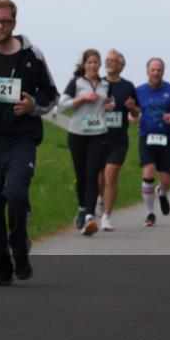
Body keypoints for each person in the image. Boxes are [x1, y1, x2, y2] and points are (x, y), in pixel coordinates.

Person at [0, 0, 58, 282]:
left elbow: (51, 96)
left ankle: (19, 247)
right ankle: (3, 265)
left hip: (21, 140)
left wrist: (32, 105)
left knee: (16, 194)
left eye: (5, 21)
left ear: (14, 23)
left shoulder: (32, 56)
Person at [132, 58, 170, 227]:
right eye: (152, 70)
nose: (155, 73)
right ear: (147, 71)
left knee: (166, 181)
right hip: (146, 136)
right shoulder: (139, 91)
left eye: (158, 70)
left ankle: (161, 192)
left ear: (163, 72)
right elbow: (132, 113)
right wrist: (135, 117)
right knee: (148, 173)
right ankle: (150, 214)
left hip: (167, 139)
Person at [59, 49, 109, 235]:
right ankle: (81, 208)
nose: (93, 65)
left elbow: (108, 102)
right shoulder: (76, 82)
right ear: (84, 64)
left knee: (92, 174)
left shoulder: (105, 84)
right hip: (78, 133)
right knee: (81, 176)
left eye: (96, 62)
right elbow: (62, 105)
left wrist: (110, 104)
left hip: (98, 133)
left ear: (100, 65)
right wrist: (83, 98)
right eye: (90, 62)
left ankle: (89, 216)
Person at [96, 50, 139, 231]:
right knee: (99, 178)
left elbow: (136, 115)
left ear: (121, 65)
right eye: (107, 60)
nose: (109, 63)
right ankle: (100, 196)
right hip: (98, 137)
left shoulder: (128, 86)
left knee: (111, 174)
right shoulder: (97, 83)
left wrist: (132, 107)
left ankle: (106, 216)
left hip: (119, 138)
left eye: (113, 61)